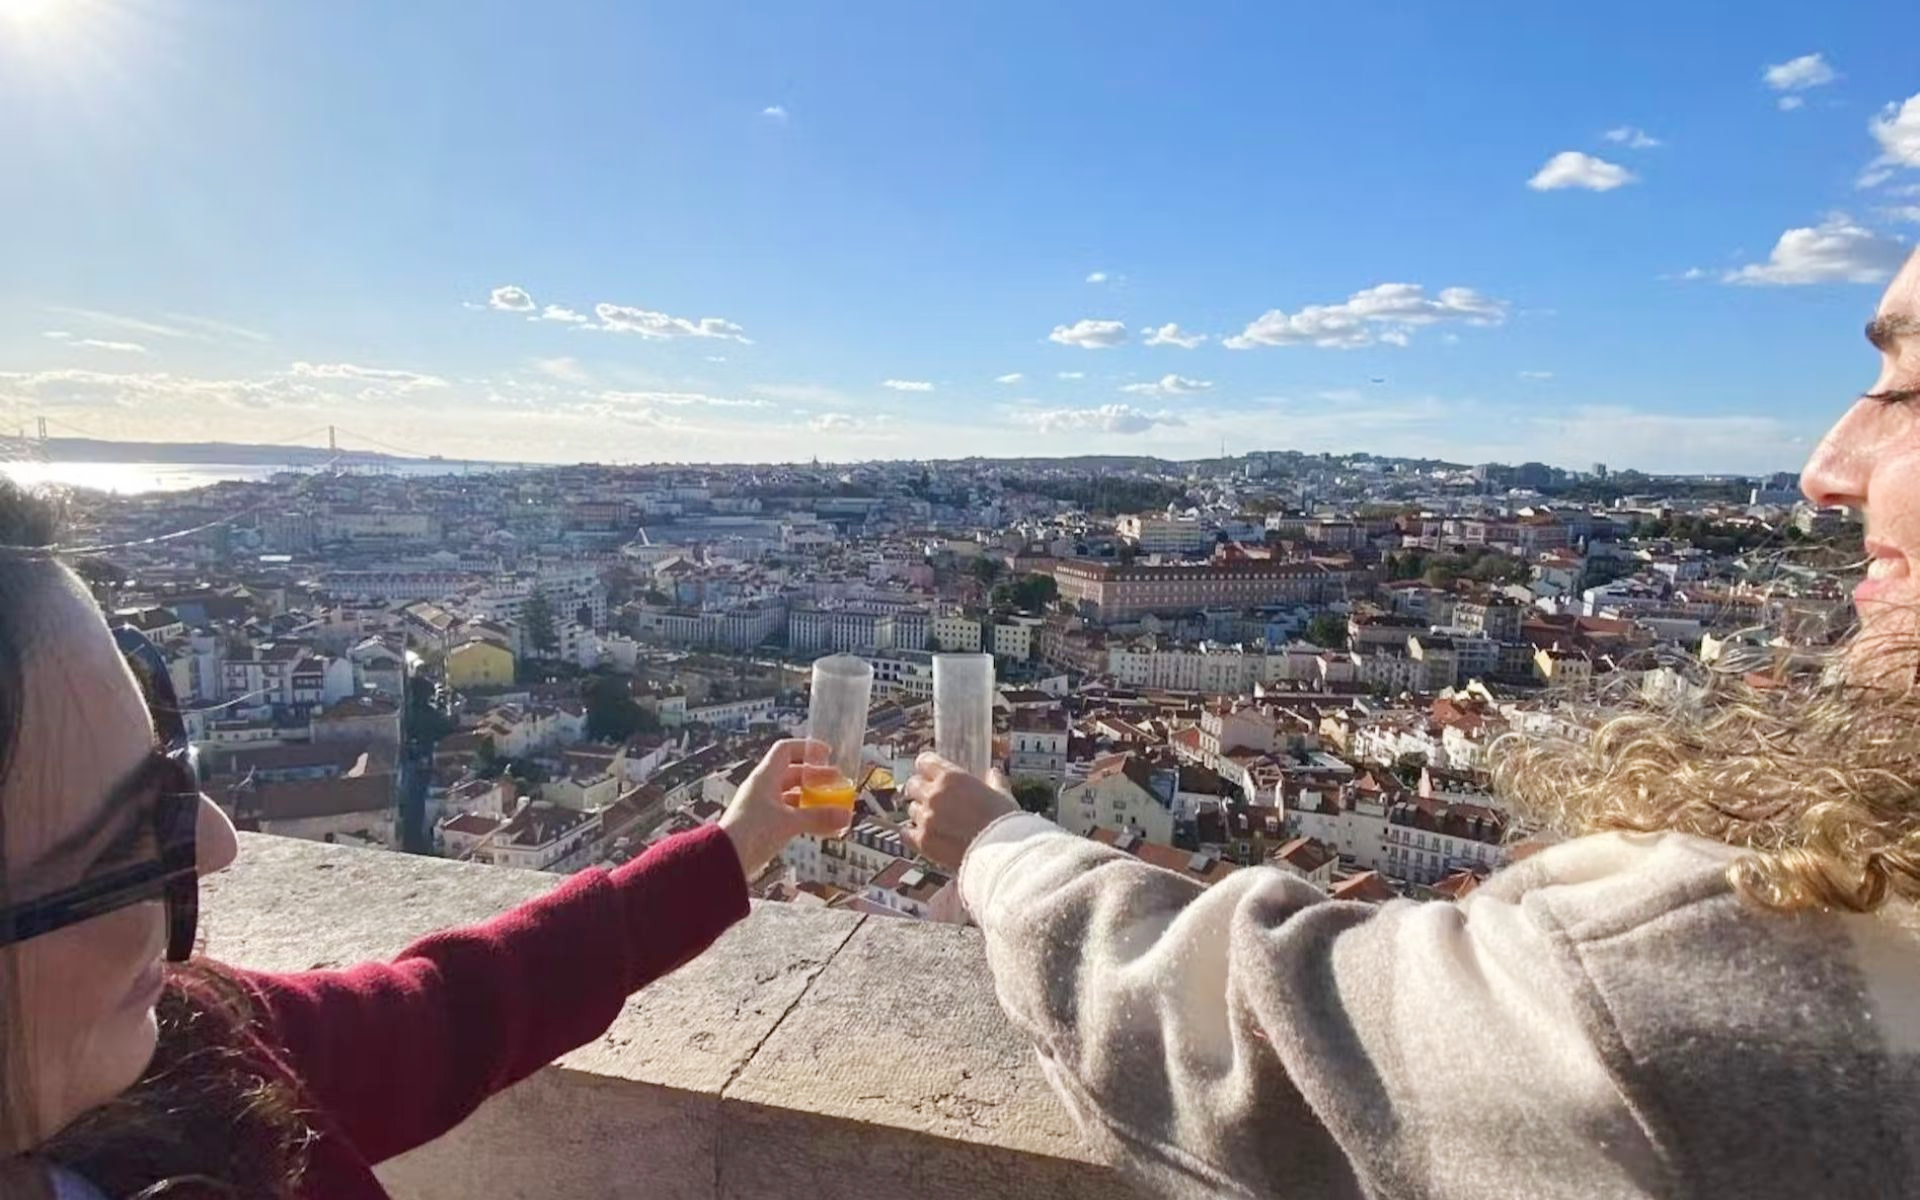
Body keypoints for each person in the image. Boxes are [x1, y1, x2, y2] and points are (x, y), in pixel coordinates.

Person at [904, 251, 1920, 1199]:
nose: (1825, 469)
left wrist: (998, 844)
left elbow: (1226, 1032)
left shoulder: (1745, 980)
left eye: (1907, 387)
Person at [0, 485, 852, 1200]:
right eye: (124, 836)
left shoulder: (205, 1041)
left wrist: (739, 841)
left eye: (172, 781)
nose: (217, 843)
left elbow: (463, 1003)